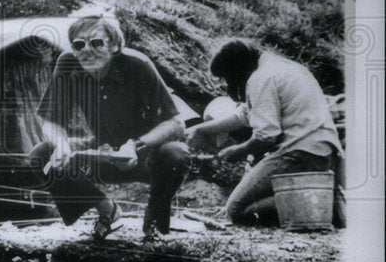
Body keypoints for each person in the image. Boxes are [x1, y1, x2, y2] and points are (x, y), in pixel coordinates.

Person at [30, 13, 189, 241]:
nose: (86, 50)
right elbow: (51, 121)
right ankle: (107, 211)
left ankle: (153, 220)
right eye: (78, 44)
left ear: (114, 45)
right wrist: (62, 145)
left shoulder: (138, 65)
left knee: (176, 154)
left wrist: (136, 145)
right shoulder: (67, 65)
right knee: (43, 153)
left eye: (96, 42)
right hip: (101, 151)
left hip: (145, 154)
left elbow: (175, 123)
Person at [187, 38, 345, 228]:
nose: (228, 83)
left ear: (236, 70)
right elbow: (243, 115)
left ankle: (319, 202)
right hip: (318, 151)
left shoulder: (261, 78)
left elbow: (267, 136)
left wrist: (237, 151)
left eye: (227, 77)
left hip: (300, 153)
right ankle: (315, 197)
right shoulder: (279, 67)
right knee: (242, 205)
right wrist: (200, 129)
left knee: (235, 212)